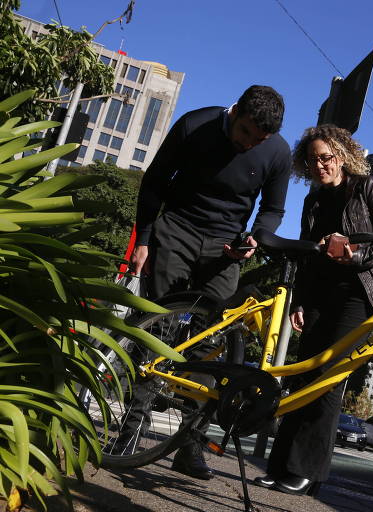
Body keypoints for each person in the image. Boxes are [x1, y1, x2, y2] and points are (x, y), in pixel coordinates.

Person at [124, 85, 292, 480]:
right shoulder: (195, 124)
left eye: (259, 139)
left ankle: (190, 447)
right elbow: (155, 182)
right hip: (177, 230)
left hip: (225, 250)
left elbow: (272, 210)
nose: (249, 144)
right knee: (157, 332)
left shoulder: (278, 153)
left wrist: (255, 239)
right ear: (236, 113)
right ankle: (130, 433)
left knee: (210, 348)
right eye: (246, 133)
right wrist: (144, 239)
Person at [253, 125, 373, 495]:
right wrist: (299, 301)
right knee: (302, 380)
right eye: (312, 159)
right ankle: (280, 466)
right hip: (320, 295)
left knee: (328, 381)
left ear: (342, 155)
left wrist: (355, 255)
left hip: (359, 295)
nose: (320, 165)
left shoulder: (368, 186)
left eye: (326, 157)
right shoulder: (313, 200)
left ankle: (306, 472)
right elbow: (306, 255)